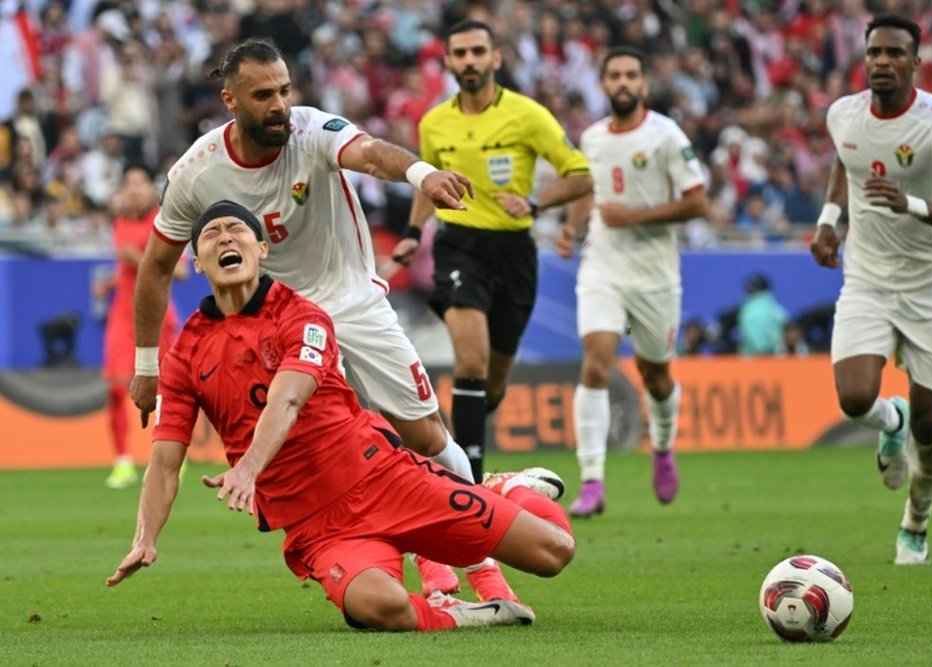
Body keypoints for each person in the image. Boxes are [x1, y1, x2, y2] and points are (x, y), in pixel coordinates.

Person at [128, 37, 512, 600]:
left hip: (352, 301)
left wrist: (422, 175)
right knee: (351, 458)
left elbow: (371, 152)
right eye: (263, 95)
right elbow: (156, 267)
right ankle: (441, 568)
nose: (279, 104)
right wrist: (145, 365)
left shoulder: (310, 130)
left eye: (284, 90)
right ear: (230, 100)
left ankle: (482, 546)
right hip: (279, 323)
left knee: (423, 434)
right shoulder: (196, 173)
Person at [106, 201, 576, 631]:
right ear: (197, 262)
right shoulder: (187, 351)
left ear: (262, 248)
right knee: (381, 608)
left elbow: (286, 400)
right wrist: (145, 538)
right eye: (211, 234)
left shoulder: (302, 315)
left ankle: (498, 487)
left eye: (236, 230)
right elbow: (165, 460)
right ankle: (466, 617)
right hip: (316, 524)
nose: (225, 238)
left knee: (554, 551)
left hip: (385, 479)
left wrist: (248, 468)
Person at [810, 14, 932, 565]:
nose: (882, 62)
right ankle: (892, 423)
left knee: (931, 426)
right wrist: (828, 221)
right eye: (874, 53)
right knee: (855, 398)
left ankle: (916, 522)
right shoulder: (845, 114)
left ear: (915, 62)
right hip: (867, 279)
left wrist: (908, 203)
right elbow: (846, 160)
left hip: (931, 285)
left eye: (894, 53)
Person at [393, 19, 592, 483]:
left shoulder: (527, 115)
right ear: (447, 62)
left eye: (477, 52)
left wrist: (538, 203)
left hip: (514, 250)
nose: (469, 61)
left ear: (495, 58)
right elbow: (428, 182)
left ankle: (458, 447)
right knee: (472, 360)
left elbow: (580, 172)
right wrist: (411, 231)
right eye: (459, 53)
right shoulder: (434, 122)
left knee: (494, 378)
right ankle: (470, 484)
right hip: (459, 245)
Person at [553, 47, 709, 517]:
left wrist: (634, 215)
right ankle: (592, 481)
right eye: (615, 75)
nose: (623, 82)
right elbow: (587, 189)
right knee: (596, 364)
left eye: (631, 75)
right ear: (603, 85)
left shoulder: (665, 136)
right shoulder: (593, 138)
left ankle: (662, 447)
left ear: (643, 85)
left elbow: (697, 202)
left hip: (654, 274)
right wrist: (570, 226)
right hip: (602, 265)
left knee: (656, 376)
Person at [94, 164, 187, 489]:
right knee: (116, 387)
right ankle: (122, 462)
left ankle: (174, 453)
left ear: (151, 189)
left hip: (158, 316)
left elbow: (181, 272)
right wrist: (110, 282)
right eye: (128, 182)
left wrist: (141, 258)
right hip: (122, 314)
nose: (134, 189)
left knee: (168, 391)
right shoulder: (119, 223)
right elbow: (126, 268)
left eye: (140, 182)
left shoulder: (163, 223)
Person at [737, 274, 789, 356]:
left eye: (752, 285)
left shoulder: (747, 310)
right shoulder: (778, 310)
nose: (747, 287)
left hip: (752, 359)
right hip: (776, 357)